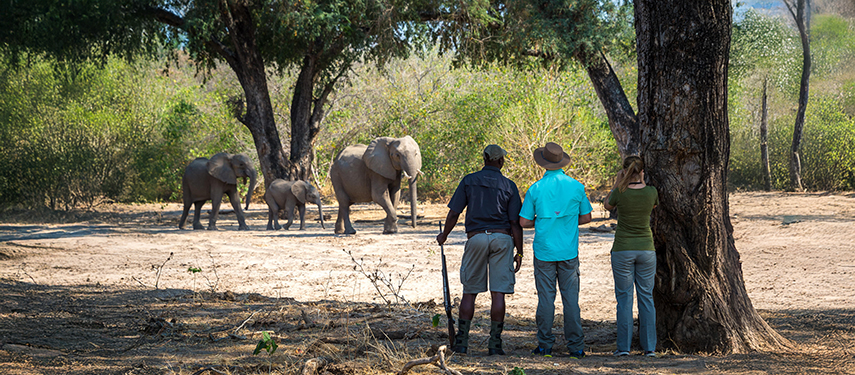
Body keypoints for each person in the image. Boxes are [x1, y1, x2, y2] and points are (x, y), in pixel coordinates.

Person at [436, 144, 524, 356]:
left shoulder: (469, 180)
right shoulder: (509, 185)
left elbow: (454, 213)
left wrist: (444, 235)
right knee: (498, 293)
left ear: (484, 159)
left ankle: (462, 342)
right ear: (501, 161)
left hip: (476, 238)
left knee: (470, 291)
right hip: (502, 238)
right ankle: (495, 344)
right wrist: (519, 251)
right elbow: (515, 223)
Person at [519, 142, 592, 359]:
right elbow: (587, 217)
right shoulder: (577, 186)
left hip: (544, 251)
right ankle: (576, 347)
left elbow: (523, 222)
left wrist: (541, 222)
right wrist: (568, 221)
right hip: (569, 251)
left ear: (543, 162)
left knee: (546, 299)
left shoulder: (536, 189)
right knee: (571, 300)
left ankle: (545, 345)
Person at [603, 155, 659, 357]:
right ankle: (650, 348)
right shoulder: (651, 192)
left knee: (624, 299)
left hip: (623, 249)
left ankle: (624, 348)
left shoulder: (620, 193)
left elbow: (607, 205)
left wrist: (619, 182)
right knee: (646, 298)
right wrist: (641, 181)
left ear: (625, 171)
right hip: (646, 249)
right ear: (642, 171)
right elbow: (651, 206)